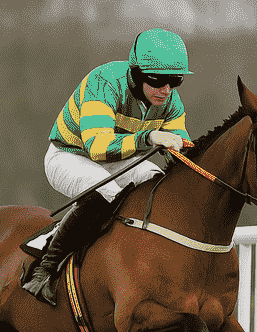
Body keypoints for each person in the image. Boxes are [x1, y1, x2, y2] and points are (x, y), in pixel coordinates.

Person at [23, 28, 194, 306]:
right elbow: (98, 147)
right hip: (70, 154)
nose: (166, 90)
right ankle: (44, 268)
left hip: (120, 160)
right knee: (107, 193)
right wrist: (149, 137)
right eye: (158, 81)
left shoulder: (170, 101)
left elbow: (179, 151)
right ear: (137, 75)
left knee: (157, 181)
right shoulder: (104, 82)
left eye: (175, 81)